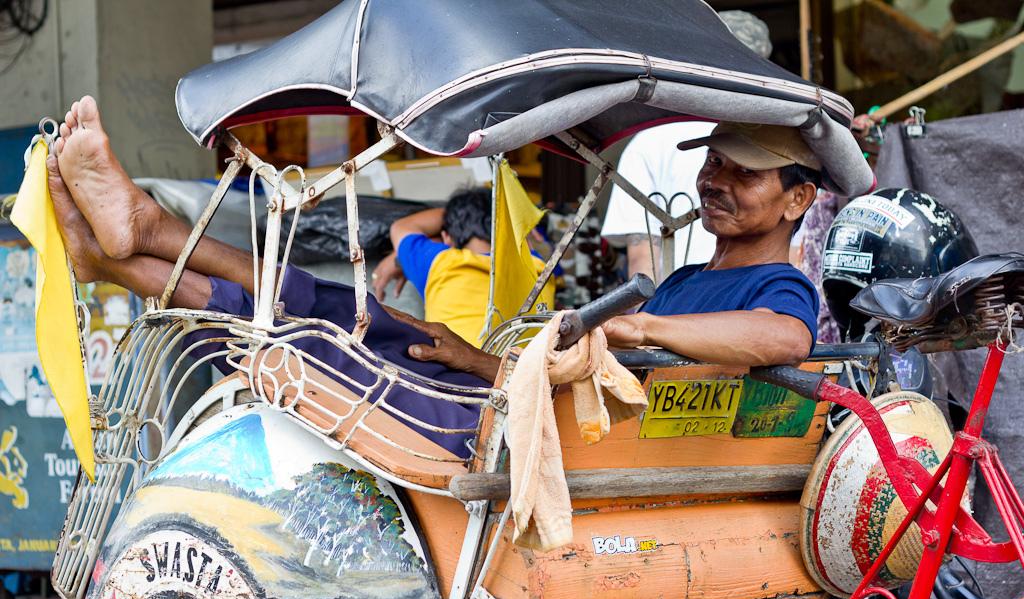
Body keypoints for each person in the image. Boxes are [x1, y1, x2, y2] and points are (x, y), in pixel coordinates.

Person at [48, 98, 820, 447]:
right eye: (713, 163)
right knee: (354, 311)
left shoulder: (778, 287)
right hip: (523, 410)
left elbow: (785, 339)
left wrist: (641, 323)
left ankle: (136, 245)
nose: (716, 180)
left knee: (318, 334)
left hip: (554, 444)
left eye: (743, 172)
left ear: (798, 200)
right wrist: (477, 359)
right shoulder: (685, 283)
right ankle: (127, 251)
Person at [601, 10, 773, 281]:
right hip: (756, 300)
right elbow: (794, 251)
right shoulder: (778, 143)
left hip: (679, 302)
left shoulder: (651, 139)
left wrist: (652, 310)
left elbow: (643, 263)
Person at [374, 187, 553, 347]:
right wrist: (494, 213)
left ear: (447, 238)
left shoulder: (442, 262)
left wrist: (461, 215)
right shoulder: (538, 266)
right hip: (528, 369)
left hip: (458, 372)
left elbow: (401, 226)